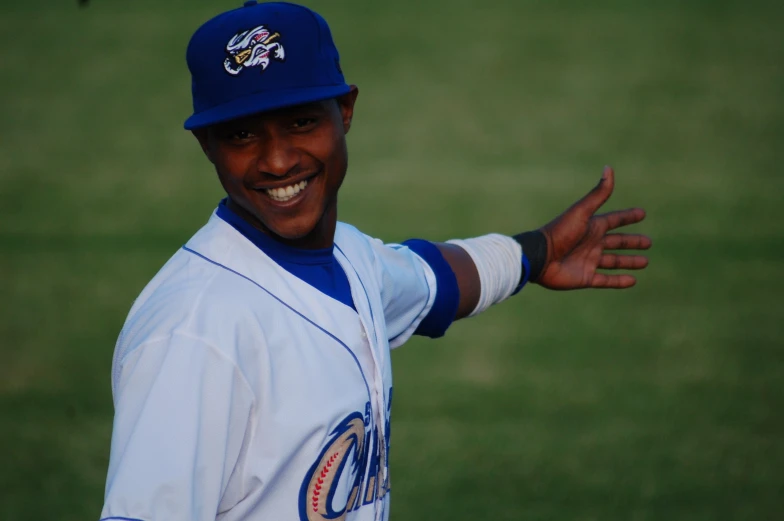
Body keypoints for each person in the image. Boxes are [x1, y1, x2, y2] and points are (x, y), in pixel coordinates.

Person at [99, 2, 651, 521]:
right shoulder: (195, 334)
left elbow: (438, 279)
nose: (277, 160)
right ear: (208, 147)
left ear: (345, 112)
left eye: (299, 122)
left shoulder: (351, 258)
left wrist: (539, 252)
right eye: (241, 134)